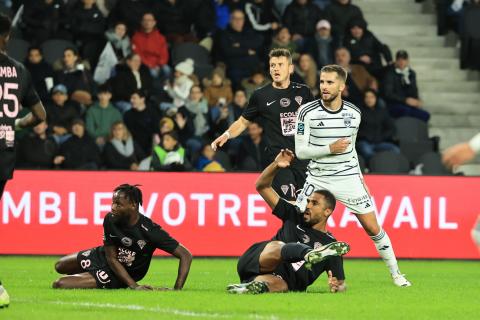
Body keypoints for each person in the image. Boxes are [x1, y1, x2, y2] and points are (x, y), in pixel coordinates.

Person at [294, 64, 411, 287]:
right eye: (322, 82)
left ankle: (396, 274)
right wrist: (330, 148)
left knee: (372, 227)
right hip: (318, 179)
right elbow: (301, 152)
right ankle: (286, 271)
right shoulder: (306, 112)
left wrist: (360, 179)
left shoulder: (354, 113)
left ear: (342, 86)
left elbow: (352, 150)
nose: (324, 87)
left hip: (348, 178)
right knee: (295, 223)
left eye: (330, 82)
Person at [227, 149, 350, 294]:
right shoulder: (295, 214)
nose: (308, 205)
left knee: (282, 285)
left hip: (274, 278)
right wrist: (276, 165)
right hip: (261, 260)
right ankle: (309, 254)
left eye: (314, 203)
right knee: (279, 246)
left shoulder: (332, 248)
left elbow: (341, 284)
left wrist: (336, 286)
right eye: (308, 201)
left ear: (327, 211)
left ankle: (247, 288)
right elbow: (262, 186)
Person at [211, 48, 314, 200]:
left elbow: (316, 121)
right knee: (290, 203)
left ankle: (290, 225)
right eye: (272, 65)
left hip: (304, 158)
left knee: (307, 207)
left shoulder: (303, 92)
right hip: (278, 159)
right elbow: (242, 122)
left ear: (290, 68)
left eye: (280, 64)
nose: (276, 68)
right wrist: (227, 134)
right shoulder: (261, 95)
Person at [52, 184, 192, 289]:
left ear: (133, 205)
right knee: (60, 266)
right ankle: (90, 277)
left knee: (60, 284)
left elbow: (185, 255)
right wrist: (135, 287)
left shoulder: (150, 230)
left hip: (122, 273)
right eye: (113, 202)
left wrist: (177, 289)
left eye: (118, 204)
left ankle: (95, 279)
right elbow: (111, 257)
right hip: (104, 256)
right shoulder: (110, 219)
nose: (113, 207)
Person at [0, 13, 47, 307]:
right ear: (7, 36)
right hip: (4, 152)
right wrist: (14, 124)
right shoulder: (19, 71)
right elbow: (41, 115)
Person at [382, 50, 430, 123]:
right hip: (394, 105)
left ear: (407, 61)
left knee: (425, 115)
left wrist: (417, 101)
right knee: (405, 111)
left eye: (404, 59)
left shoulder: (411, 73)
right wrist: (405, 100)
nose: (401, 62)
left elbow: (414, 90)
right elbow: (388, 94)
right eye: (399, 60)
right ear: (396, 61)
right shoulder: (390, 74)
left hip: (408, 105)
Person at [356, 89, 399, 165]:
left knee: (395, 150)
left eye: (372, 97)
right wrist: (364, 136)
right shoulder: (358, 112)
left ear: (376, 99)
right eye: (367, 97)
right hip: (364, 142)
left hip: (379, 142)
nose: (369, 99)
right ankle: (373, 169)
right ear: (364, 99)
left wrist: (382, 137)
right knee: (368, 152)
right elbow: (353, 129)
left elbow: (391, 128)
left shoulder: (382, 112)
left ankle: (390, 168)